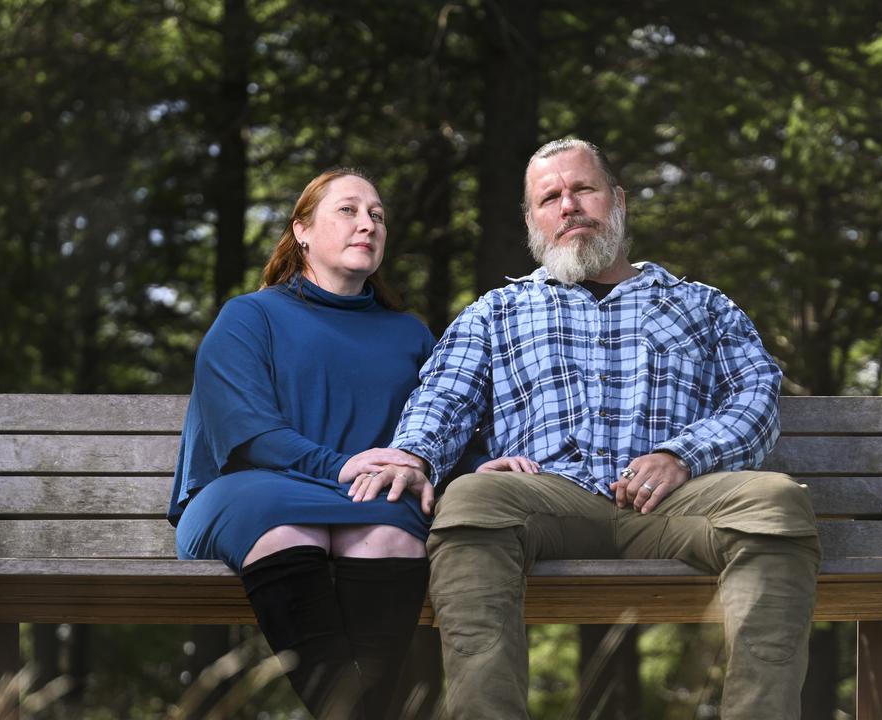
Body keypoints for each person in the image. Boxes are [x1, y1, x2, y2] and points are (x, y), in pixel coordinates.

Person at [356, 139, 821, 719]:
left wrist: (681, 455)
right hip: (546, 498)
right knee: (473, 497)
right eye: (550, 198)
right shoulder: (497, 311)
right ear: (532, 221)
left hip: (676, 503)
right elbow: (444, 397)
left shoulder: (701, 305)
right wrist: (413, 456)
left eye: (583, 189)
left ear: (617, 200)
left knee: (774, 500)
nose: (568, 205)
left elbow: (756, 398)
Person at [167, 168, 439, 719]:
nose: (367, 224)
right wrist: (340, 467)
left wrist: (483, 462)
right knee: (290, 524)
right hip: (251, 497)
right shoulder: (250, 317)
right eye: (348, 210)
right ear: (302, 231)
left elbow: (444, 423)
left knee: (390, 533)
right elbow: (249, 435)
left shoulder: (410, 334)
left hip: (370, 501)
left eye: (377, 216)